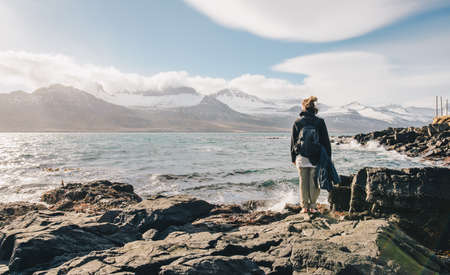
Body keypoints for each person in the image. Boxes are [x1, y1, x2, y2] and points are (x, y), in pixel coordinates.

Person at [290, 96, 331, 213]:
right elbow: (326, 142)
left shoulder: (298, 122)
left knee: (303, 181)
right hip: (316, 156)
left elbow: (293, 141)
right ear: (314, 108)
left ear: (303, 107)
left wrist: (293, 157)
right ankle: (312, 206)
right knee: (314, 182)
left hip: (301, 157)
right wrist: (328, 157)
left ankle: (304, 207)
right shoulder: (320, 122)